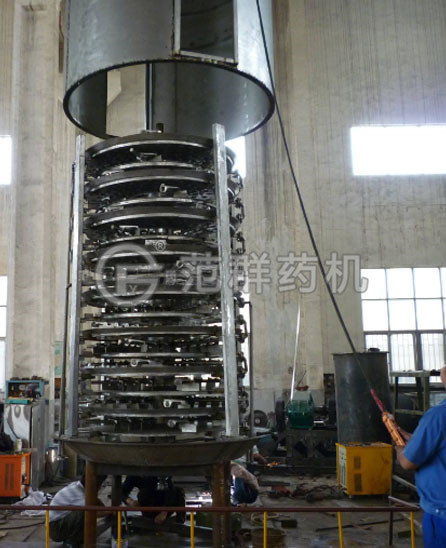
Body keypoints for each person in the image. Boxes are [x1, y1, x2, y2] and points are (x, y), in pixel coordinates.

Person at [396, 366, 446, 547]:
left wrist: (399, 448)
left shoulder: (438, 416)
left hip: (442, 514)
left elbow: (408, 462)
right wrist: (414, 438)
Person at [49, 474, 108, 548]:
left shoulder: (79, 486)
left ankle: (77, 538)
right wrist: (110, 512)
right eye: (99, 485)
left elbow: (96, 501)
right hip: (56, 529)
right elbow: (95, 513)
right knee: (85, 513)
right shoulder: (79, 495)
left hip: (59, 523)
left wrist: (106, 509)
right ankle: (71, 540)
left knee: (85, 514)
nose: (100, 487)